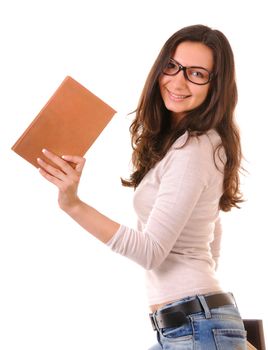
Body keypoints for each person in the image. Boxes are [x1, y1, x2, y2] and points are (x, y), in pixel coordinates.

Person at [37, 24, 247, 349]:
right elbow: (211, 230)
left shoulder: (193, 150)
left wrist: (73, 204)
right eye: (172, 67)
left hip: (196, 328)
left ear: (215, 86)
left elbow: (151, 253)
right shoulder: (189, 145)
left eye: (196, 74)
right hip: (195, 326)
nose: (177, 81)